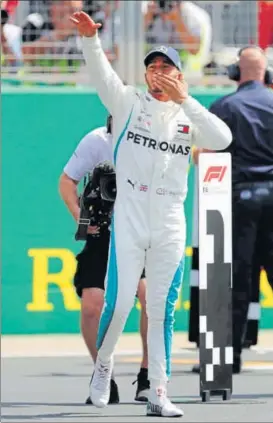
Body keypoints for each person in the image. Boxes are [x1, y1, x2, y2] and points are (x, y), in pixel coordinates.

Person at [70, 10, 232, 418]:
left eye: (167, 66)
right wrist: (90, 40)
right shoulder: (127, 103)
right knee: (121, 303)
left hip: (170, 218)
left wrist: (186, 100)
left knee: (162, 307)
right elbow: (103, 74)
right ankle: (103, 366)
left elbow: (223, 138)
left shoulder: (187, 115)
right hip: (130, 215)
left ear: (180, 74)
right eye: (152, 66)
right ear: (144, 75)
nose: (158, 72)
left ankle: (158, 391)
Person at [59, 116, 150, 404]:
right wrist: (81, 217)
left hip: (139, 232)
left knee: (149, 297)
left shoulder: (151, 139)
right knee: (91, 307)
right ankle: (102, 372)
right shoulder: (97, 140)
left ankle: (148, 374)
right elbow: (66, 181)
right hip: (103, 234)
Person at [193, 46, 273, 373]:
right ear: (266, 74)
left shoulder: (225, 106)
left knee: (236, 279)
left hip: (239, 200)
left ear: (235, 74)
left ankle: (229, 358)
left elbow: (208, 154)